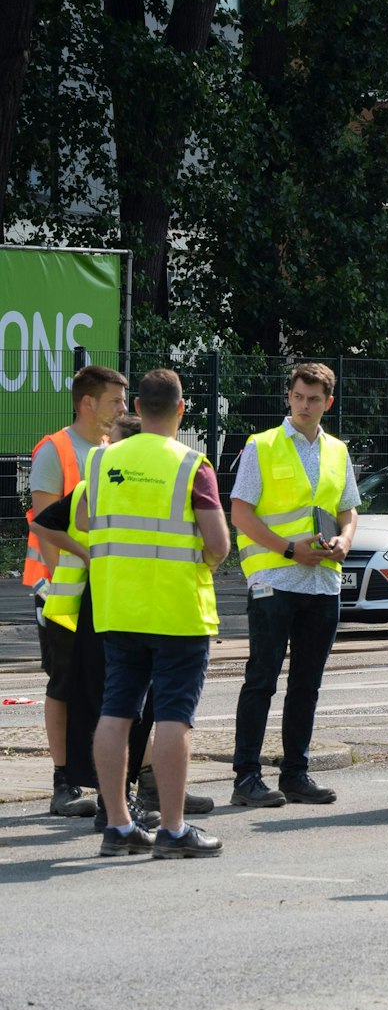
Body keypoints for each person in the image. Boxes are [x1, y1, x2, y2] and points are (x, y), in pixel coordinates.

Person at [81, 369, 230, 858]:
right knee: (173, 717)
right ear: (181, 409)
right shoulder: (192, 465)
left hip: (117, 607)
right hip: (176, 611)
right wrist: (201, 561)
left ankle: (118, 826)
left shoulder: (101, 459)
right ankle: (172, 829)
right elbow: (218, 544)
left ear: (138, 408)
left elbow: (83, 520)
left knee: (115, 713)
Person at [228, 362, 359, 808]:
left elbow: (348, 510)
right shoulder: (262, 445)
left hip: (322, 582)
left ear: (328, 403)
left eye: (314, 399)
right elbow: (241, 513)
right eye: (298, 396)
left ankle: (295, 774)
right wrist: (288, 549)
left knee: (307, 684)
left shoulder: (338, 451)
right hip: (274, 579)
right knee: (261, 680)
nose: (304, 405)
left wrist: (345, 540)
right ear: (288, 396)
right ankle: (246, 777)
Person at [30, 412, 166, 832]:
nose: (108, 448)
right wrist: (87, 556)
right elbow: (50, 523)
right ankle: (111, 798)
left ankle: (126, 796)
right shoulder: (100, 483)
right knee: (115, 702)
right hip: (99, 610)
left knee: (126, 703)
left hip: (116, 607)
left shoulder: (110, 482)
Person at [26, 363, 127, 818]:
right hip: (63, 592)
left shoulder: (111, 450)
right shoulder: (56, 449)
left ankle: (116, 782)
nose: (122, 408)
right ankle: (64, 781)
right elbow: (46, 526)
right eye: (115, 400)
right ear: (88, 403)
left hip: (103, 590)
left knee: (108, 685)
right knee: (63, 685)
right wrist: (64, 583)